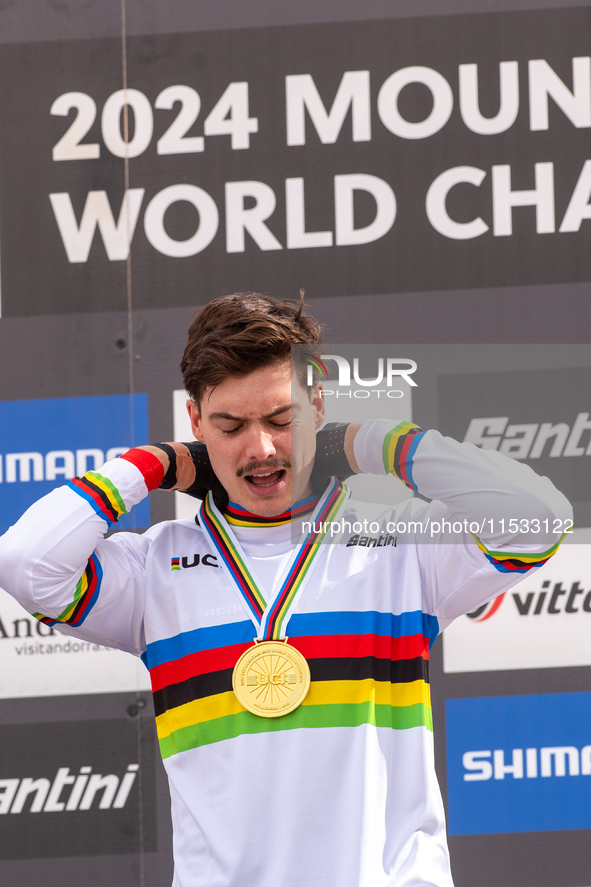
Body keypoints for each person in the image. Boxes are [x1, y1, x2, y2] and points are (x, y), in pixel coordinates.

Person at [0, 293, 572, 887]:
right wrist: (154, 465)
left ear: (317, 402)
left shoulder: (402, 544)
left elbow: (540, 517)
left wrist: (369, 442)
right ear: (195, 422)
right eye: (230, 426)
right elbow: (24, 562)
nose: (262, 450)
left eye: (282, 419)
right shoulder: (151, 569)